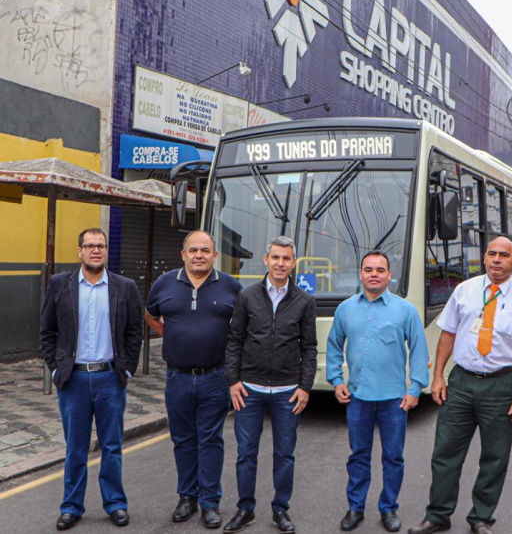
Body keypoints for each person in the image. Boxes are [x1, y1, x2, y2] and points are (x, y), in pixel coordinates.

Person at [408, 237, 512, 534]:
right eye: (492, 254)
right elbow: (448, 333)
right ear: (484, 258)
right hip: (461, 382)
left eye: (504, 255)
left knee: (495, 457)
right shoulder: (465, 291)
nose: (497, 260)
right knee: (445, 453)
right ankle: (437, 515)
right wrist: (438, 377)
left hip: (501, 386)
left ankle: (481, 518)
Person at [39, 228, 143, 531]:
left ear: (106, 250)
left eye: (100, 246)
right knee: (75, 448)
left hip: (111, 378)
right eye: (89, 246)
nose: (95, 250)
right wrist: (57, 371)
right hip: (74, 381)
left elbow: (134, 333)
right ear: (79, 251)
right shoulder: (60, 285)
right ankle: (71, 507)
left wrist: (128, 370)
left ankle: (115, 504)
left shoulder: (125, 287)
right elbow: (47, 332)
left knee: (112, 446)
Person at [326, 251, 430, 533]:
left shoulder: (405, 310)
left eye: (380, 270)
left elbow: (419, 349)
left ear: (389, 276)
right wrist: (336, 381)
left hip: (394, 400)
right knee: (358, 454)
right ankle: (355, 507)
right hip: (358, 397)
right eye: (369, 269)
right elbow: (334, 346)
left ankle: (389, 508)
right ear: (360, 274)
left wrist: (415, 388)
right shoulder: (346, 309)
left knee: (393, 456)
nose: (374, 274)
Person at [145, 230, 242, 528]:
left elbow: (241, 328)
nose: (199, 255)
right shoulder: (164, 284)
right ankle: (187, 497)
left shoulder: (231, 287)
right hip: (177, 378)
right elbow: (150, 314)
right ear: (183, 254)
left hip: (215, 377)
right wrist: (170, 335)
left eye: (205, 250)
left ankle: (210, 502)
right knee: (183, 440)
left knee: (211, 440)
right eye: (193, 250)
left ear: (215, 255)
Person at [223, 236, 317, 534]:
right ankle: (245, 508)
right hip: (249, 389)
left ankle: (281, 510)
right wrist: (233, 380)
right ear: (266, 260)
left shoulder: (305, 301)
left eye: (286, 259)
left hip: (288, 392)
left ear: (293, 263)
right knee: (246, 452)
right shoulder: (247, 296)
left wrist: (304, 386)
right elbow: (234, 341)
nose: (280, 263)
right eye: (275, 257)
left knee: (285, 454)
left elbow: (310, 348)